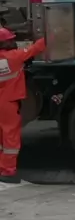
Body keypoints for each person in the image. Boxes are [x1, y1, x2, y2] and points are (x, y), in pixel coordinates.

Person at [0, 28, 46, 183]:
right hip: (8, 103)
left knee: (2, 137)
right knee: (10, 138)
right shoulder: (14, 57)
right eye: (10, 40)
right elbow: (35, 49)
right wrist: (50, 35)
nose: (13, 42)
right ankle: (8, 172)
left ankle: (2, 167)